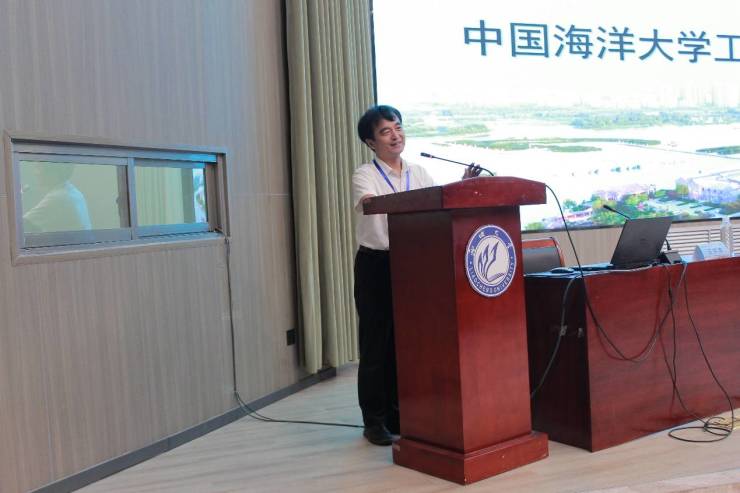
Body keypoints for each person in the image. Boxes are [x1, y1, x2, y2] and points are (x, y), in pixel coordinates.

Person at [352, 105, 480, 446]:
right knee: (376, 344)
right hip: (377, 265)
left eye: (398, 127)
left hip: (413, 266)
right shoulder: (365, 174)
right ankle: (374, 420)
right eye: (385, 131)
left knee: (408, 342)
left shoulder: (419, 171)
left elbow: (439, 205)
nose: (395, 135)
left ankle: (400, 414)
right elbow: (370, 204)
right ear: (371, 142)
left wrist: (461, 188)